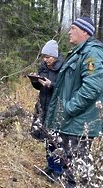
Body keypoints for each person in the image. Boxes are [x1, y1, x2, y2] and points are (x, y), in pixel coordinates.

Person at [44, 17, 103, 188]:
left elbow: (92, 87)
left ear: (84, 32)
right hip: (74, 122)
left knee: (77, 173)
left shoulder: (91, 54)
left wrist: (69, 108)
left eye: (73, 28)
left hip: (81, 123)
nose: (69, 31)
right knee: (72, 169)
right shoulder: (79, 52)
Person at [28, 40, 64, 180]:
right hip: (43, 106)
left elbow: (65, 88)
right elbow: (39, 88)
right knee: (46, 139)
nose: (45, 60)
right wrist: (35, 81)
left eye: (48, 57)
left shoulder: (63, 67)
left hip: (56, 108)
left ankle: (58, 170)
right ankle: (50, 166)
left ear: (54, 56)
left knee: (56, 140)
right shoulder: (43, 67)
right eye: (44, 56)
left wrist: (51, 85)